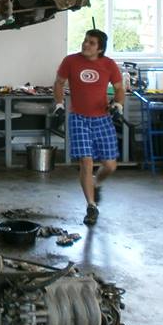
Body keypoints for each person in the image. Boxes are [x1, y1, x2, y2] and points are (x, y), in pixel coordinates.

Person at [53, 29, 124, 226]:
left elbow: (119, 88)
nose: (86, 44)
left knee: (110, 165)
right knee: (86, 161)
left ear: (100, 48)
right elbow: (59, 83)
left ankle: (96, 183)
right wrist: (59, 104)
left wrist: (118, 105)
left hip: (102, 118)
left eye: (91, 43)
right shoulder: (70, 61)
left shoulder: (108, 64)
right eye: (85, 40)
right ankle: (91, 206)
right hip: (78, 118)